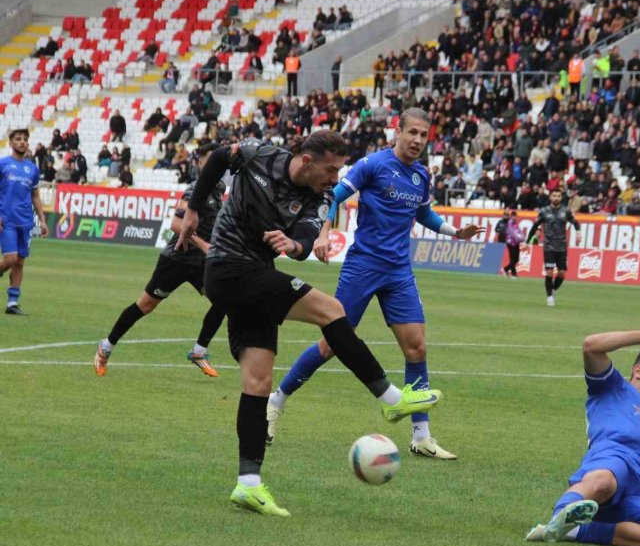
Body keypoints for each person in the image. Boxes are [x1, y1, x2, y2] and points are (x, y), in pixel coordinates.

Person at [176, 130, 442, 516]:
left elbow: (302, 242)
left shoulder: (319, 201)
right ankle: (390, 399)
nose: (335, 180)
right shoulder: (258, 155)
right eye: (331, 170)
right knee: (331, 310)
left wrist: (295, 245)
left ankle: (247, 484)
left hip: (256, 275)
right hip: (228, 267)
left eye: (339, 171)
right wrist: (196, 209)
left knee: (257, 382)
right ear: (305, 160)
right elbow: (217, 157)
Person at [266, 109, 482, 460]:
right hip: (363, 265)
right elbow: (331, 196)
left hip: (399, 271)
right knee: (331, 344)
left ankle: (422, 436)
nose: (416, 140)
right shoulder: (372, 165)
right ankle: (276, 402)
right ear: (397, 131)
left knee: (417, 348)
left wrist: (454, 231)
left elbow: (423, 214)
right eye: (411, 132)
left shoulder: (421, 175)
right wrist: (323, 231)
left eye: (423, 135)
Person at [525, 322, 640, 546]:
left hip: (638, 487)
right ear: (638, 371)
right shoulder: (613, 387)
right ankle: (561, 515)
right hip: (613, 460)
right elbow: (591, 346)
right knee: (603, 481)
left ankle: (576, 530)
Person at [93, 143, 228, 377]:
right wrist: (203, 244)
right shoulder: (195, 188)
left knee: (225, 300)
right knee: (145, 306)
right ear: (200, 162)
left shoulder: (219, 188)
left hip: (201, 263)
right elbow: (177, 224)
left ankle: (199, 351)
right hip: (176, 259)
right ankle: (106, 346)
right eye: (211, 159)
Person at [0, 129, 47, 315]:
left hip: (26, 222)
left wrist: (42, 221)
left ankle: (12, 303)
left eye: (25, 139)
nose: (22, 142)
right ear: (11, 142)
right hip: (7, 220)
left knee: (19, 262)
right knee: (10, 259)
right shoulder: (3, 164)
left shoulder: (32, 169)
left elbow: (35, 195)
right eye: (18, 139)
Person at [526, 190, 581, 306]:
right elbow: (535, 226)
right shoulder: (544, 211)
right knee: (549, 272)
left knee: (561, 273)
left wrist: (578, 232)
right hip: (549, 246)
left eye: (559, 196)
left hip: (561, 246)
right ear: (550, 198)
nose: (556, 198)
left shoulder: (566, 211)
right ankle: (549, 296)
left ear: (561, 198)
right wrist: (527, 241)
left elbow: (576, 223)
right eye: (554, 196)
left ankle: (553, 289)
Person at [502, 209, 524, 277]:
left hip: (516, 243)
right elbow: (512, 232)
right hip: (511, 243)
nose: (514, 217)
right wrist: (518, 238)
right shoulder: (510, 223)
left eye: (515, 216)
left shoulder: (515, 224)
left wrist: (522, 237)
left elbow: (519, 231)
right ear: (511, 216)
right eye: (513, 216)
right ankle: (513, 273)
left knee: (516, 259)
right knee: (513, 258)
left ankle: (506, 269)